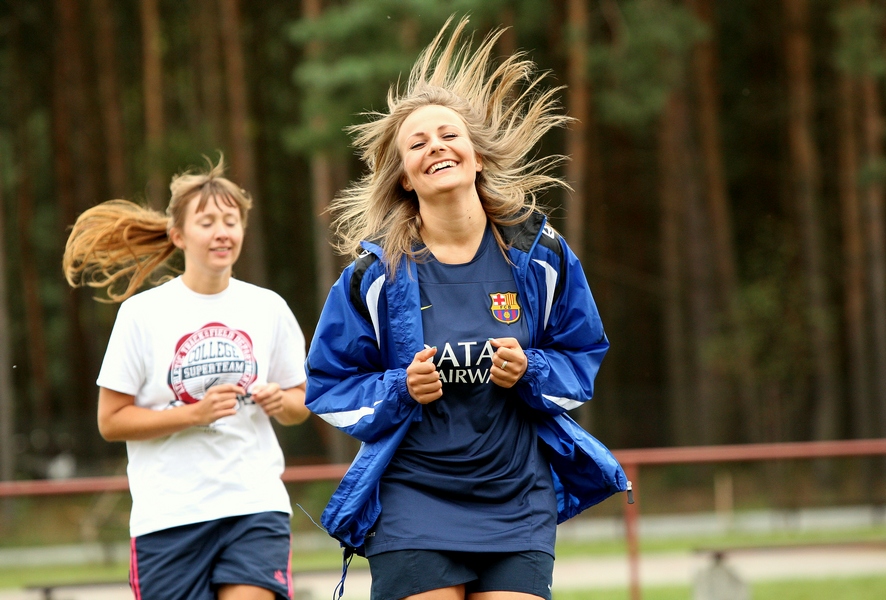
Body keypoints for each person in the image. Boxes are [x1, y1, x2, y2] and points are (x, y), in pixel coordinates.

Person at [304, 17, 628, 600]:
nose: (435, 146)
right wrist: (402, 387)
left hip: (517, 497)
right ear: (405, 178)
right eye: (417, 144)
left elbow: (581, 355)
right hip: (413, 497)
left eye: (447, 134)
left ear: (476, 157)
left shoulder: (542, 256)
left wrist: (531, 370)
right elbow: (330, 384)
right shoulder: (373, 277)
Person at [63, 155, 309, 600]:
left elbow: (300, 403)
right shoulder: (141, 314)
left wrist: (282, 401)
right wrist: (194, 414)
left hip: (255, 506)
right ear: (178, 235)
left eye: (231, 222)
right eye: (207, 222)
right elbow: (111, 421)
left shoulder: (269, 307)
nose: (222, 232)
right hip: (169, 518)